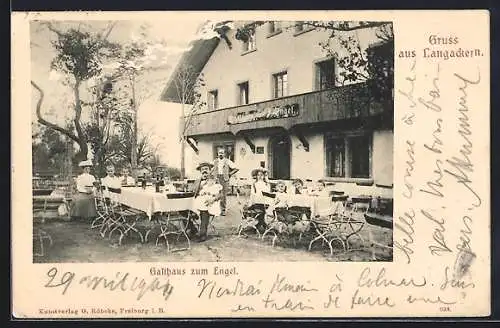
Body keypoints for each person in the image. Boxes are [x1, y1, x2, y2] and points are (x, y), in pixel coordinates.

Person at [190, 162, 219, 242]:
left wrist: (212, 200)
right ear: (200, 171)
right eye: (202, 169)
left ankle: (202, 234)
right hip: (197, 201)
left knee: (204, 211)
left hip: (210, 202)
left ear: (210, 170)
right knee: (185, 210)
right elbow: (192, 192)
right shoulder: (197, 181)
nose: (204, 171)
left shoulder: (214, 180)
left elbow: (220, 194)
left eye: (206, 169)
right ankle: (192, 229)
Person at [212, 148, 238, 216]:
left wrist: (229, 174)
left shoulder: (227, 161)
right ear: (217, 154)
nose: (221, 154)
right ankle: (215, 210)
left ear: (224, 154)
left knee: (223, 195)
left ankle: (223, 210)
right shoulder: (214, 161)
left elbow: (236, 168)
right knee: (215, 194)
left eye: (222, 153)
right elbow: (211, 170)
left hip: (224, 179)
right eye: (219, 153)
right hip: (216, 178)